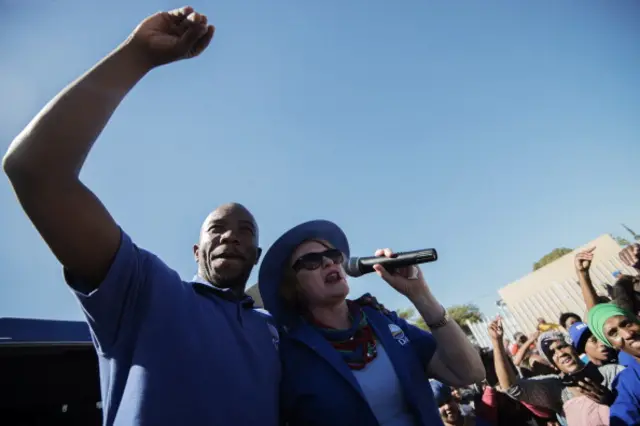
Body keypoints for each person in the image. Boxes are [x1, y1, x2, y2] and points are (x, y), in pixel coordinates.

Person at [3, 8, 280, 426]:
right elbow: (36, 171)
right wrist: (137, 56)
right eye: (217, 229)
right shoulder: (145, 290)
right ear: (196, 249)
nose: (230, 237)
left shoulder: (278, 332)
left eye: (245, 232)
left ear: (257, 256)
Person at [258, 220, 485, 426]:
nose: (328, 262)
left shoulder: (383, 321)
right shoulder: (288, 353)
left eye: (333, 255)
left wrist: (420, 294)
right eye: (311, 261)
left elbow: (468, 374)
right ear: (293, 286)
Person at [488, 318, 623, 426]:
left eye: (562, 346)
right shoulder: (556, 388)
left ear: (573, 348)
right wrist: (497, 342)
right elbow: (512, 387)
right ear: (553, 364)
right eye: (552, 353)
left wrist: (613, 401)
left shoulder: (612, 372)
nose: (560, 354)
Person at [587, 303, 640, 425]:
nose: (628, 334)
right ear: (612, 345)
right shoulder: (627, 383)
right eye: (613, 333)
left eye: (627, 324)